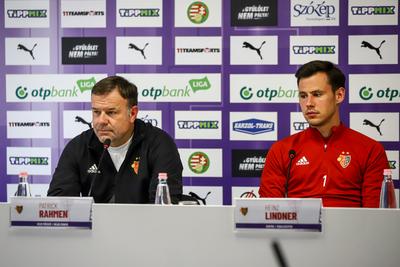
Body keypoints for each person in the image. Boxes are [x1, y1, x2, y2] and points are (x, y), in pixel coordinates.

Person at [259, 60, 388, 207]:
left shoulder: (371, 150)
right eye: (303, 95)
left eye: (317, 94)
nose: (308, 103)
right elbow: (269, 215)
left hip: (353, 229)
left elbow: (376, 217)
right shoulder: (282, 150)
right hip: (299, 229)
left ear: (339, 95)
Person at [48, 76, 183, 203]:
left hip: (144, 227)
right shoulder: (79, 147)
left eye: (111, 112)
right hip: (96, 227)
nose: (101, 121)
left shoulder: (160, 145)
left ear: (133, 113)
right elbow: (59, 206)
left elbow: (164, 208)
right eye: (96, 112)